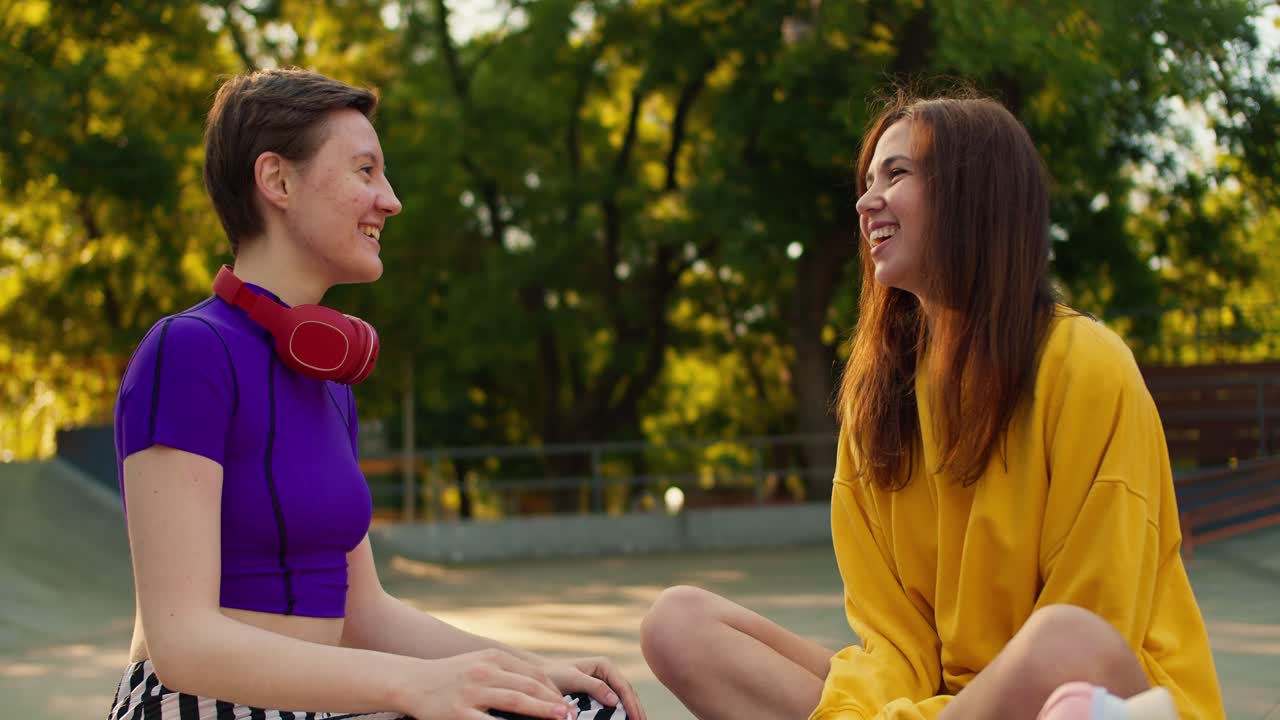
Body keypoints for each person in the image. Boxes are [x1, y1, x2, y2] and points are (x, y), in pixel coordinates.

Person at [639, 90, 1225, 720]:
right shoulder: (877, 401)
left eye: (897, 174)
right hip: (940, 703)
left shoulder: (1086, 364)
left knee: (1065, 639)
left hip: (1094, 691)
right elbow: (893, 639)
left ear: (974, 196)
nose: (867, 202)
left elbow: (1099, 617)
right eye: (868, 181)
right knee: (677, 623)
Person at [108, 68, 642, 720]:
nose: (390, 201)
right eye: (365, 171)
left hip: (322, 703)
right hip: (199, 704)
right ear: (277, 180)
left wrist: (530, 672)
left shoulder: (330, 382)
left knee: (581, 713)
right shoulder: (187, 352)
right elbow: (182, 643)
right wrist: (412, 687)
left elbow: (365, 615)